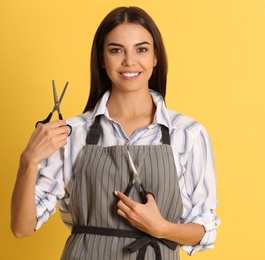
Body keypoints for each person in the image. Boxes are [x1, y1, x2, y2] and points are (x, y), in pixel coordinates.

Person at [11, 6, 220, 260]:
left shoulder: (188, 134)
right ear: (102, 58)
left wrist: (161, 228)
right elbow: (22, 228)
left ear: (155, 56)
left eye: (141, 49)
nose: (129, 61)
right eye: (116, 50)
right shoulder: (73, 133)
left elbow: (204, 227)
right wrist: (28, 162)